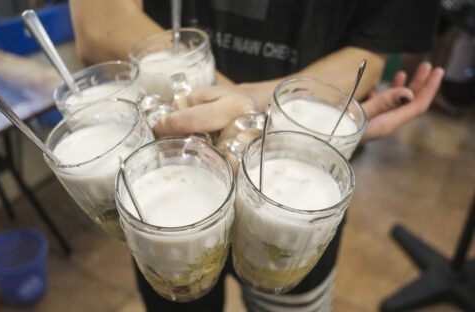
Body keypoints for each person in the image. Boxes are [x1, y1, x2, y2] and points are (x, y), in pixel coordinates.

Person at [69, 0, 444, 311]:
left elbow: (368, 51)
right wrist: (270, 123)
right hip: (167, 188)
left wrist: (260, 113)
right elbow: (97, 27)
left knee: (286, 293)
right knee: (180, 298)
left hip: (296, 200)